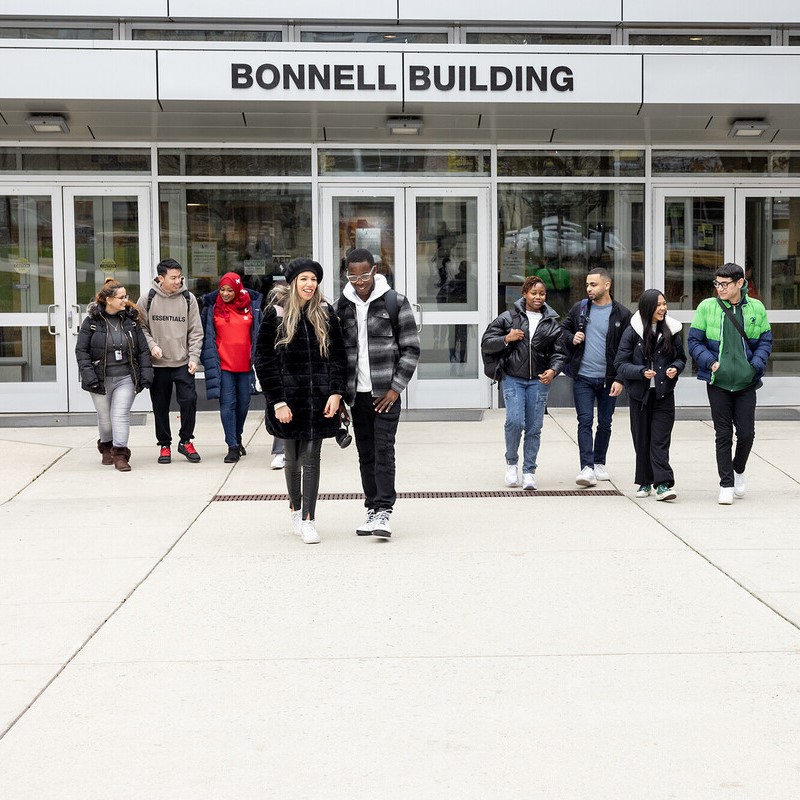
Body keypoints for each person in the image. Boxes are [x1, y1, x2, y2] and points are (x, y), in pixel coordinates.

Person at [254, 257, 346, 544]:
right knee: (292, 459)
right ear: (293, 282)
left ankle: (309, 520)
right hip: (288, 401)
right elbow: (263, 360)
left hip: (319, 401)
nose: (310, 284)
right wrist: (277, 402)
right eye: (304, 279)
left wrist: (336, 393)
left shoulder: (325, 313)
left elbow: (338, 357)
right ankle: (295, 509)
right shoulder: (276, 313)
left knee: (312, 458)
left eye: (314, 279)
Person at [335, 248, 421, 539]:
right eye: (353, 276)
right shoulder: (341, 307)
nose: (359, 282)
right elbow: (335, 356)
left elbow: (411, 349)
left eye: (364, 275)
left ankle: (384, 511)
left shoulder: (394, 302)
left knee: (383, 451)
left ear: (374, 271)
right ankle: (371, 508)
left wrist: (395, 389)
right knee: (366, 453)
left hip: (385, 395)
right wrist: (340, 396)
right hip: (356, 396)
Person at [688, 262, 772, 505]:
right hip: (718, 383)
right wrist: (710, 362)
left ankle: (738, 470)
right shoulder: (707, 307)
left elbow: (765, 341)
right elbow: (694, 341)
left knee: (746, 434)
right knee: (723, 435)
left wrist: (755, 365)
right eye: (717, 284)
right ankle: (726, 484)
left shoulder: (756, 307)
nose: (720, 288)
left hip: (746, 383)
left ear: (740, 283)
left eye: (725, 284)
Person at [481, 276, 569, 490]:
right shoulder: (508, 318)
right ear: (524, 294)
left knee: (534, 427)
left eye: (542, 293)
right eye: (534, 293)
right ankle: (511, 463)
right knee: (515, 422)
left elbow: (559, 353)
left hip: (539, 381)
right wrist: (506, 339)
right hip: (513, 378)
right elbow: (486, 343)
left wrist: (553, 370)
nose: (538, 297)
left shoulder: (551, 322)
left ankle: (529, 471)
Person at [562, 267, 632, 487]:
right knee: (584, 421)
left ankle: (599, 462)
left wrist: (620, 379)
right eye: (587, 284)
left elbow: (628, 350)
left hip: (609, 379)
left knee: (605, 422)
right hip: (583, 377)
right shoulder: (580, 308)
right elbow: (562, 330)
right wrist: (572, 337)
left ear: (607, 285)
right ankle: (587, 467)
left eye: (593, 284)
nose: (589, 288)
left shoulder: (622, 314)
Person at [614, 289, 686, 501]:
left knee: (660, 440)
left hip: (664, 395)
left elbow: (681, 358)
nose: (663, 308)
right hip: (640, 396)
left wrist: (675, 368)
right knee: (642, 440)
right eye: (658, 305)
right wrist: (641, 372)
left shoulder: (671, 330)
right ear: (647, 308)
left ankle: (663, 484)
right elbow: (620, 364)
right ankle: (644, 481)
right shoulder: (632, 331)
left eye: (664, 304)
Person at [75, 278, 153, 471]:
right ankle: (106, 447)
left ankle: (120, 455)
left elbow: (143, 350)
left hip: (126, 378)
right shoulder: (92, 322)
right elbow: (82, 351)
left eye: (126, 296)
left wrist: (146, 374)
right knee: (106, 420)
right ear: (108, 300)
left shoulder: (131, 321)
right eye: (121, 297)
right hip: (100, 379)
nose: (125, 300)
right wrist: (89, 377)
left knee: (120, 415)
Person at [137, 258, 204, 464]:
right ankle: (164, 444)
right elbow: (140, 327)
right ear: (161, 278)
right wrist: (152, 345)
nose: (178, 281)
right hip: (158, 365)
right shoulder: (147, 298)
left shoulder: (188, 298)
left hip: (182, 362)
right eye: (173, 278)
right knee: (160, 406)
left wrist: (194, 357)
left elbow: (196, 331)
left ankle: (185, 441)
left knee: (189, 401)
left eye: (179, 277)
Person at [200, 272, 263, 463]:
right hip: (223, 365)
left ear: (237, 289)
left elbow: (258, 332)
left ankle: (237, 436)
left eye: (229, 290)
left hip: (246, 365)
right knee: (227, 405)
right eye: (222, 290)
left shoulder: (252, 305)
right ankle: (232, 445)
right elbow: (203, 334)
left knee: (243, 404)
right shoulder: (212, 306)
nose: (225, 294)